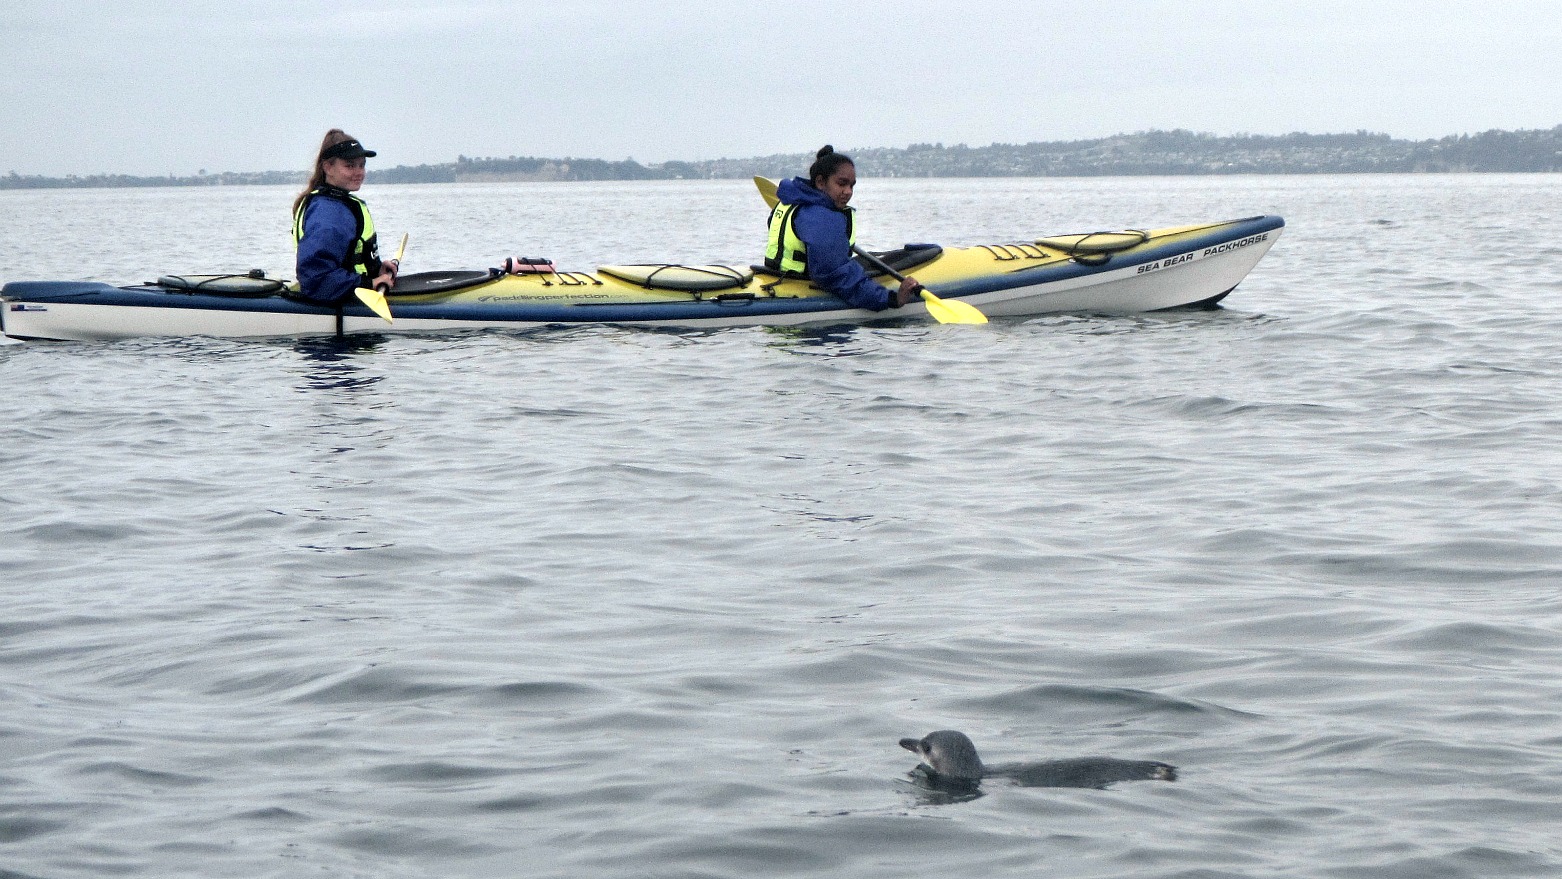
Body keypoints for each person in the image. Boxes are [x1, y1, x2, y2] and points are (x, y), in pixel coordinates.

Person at [765, 145, 919, 311]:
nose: (848, 192)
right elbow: (834, 275)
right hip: (803, 287)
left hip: (774, 275)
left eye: (851, 186)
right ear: (820, 182)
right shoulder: (821, 217)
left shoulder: (790, 201)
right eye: (842, 184)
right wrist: (891, 298)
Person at [291, 130, 398, 305]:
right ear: (328, 167)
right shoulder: (328, 213)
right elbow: (317, 277)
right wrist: (369, 284)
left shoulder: (336, 203)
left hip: (347, 295)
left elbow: (349, 258)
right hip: (337, 304)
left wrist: (376, 268)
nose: (359, 172)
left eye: (361, 165)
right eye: (350, 166)